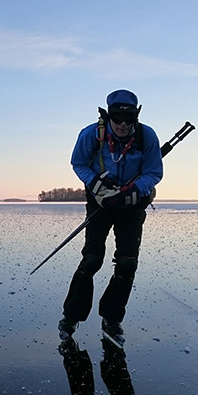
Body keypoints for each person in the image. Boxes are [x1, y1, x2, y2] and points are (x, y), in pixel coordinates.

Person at [59, 89, 163, 348]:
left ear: (136, 117)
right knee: (92, 259)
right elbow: (78, 163)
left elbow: (154, 172)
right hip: (100, 201)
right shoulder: (90, 134)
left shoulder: (146, 135)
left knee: (127, 264)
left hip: (131, 205)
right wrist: (97, 187)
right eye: (118, 119)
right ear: (108, 116)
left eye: (129, 120)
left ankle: (112, 319)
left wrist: (132, 193)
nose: (123, 125)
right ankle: (71, 317)